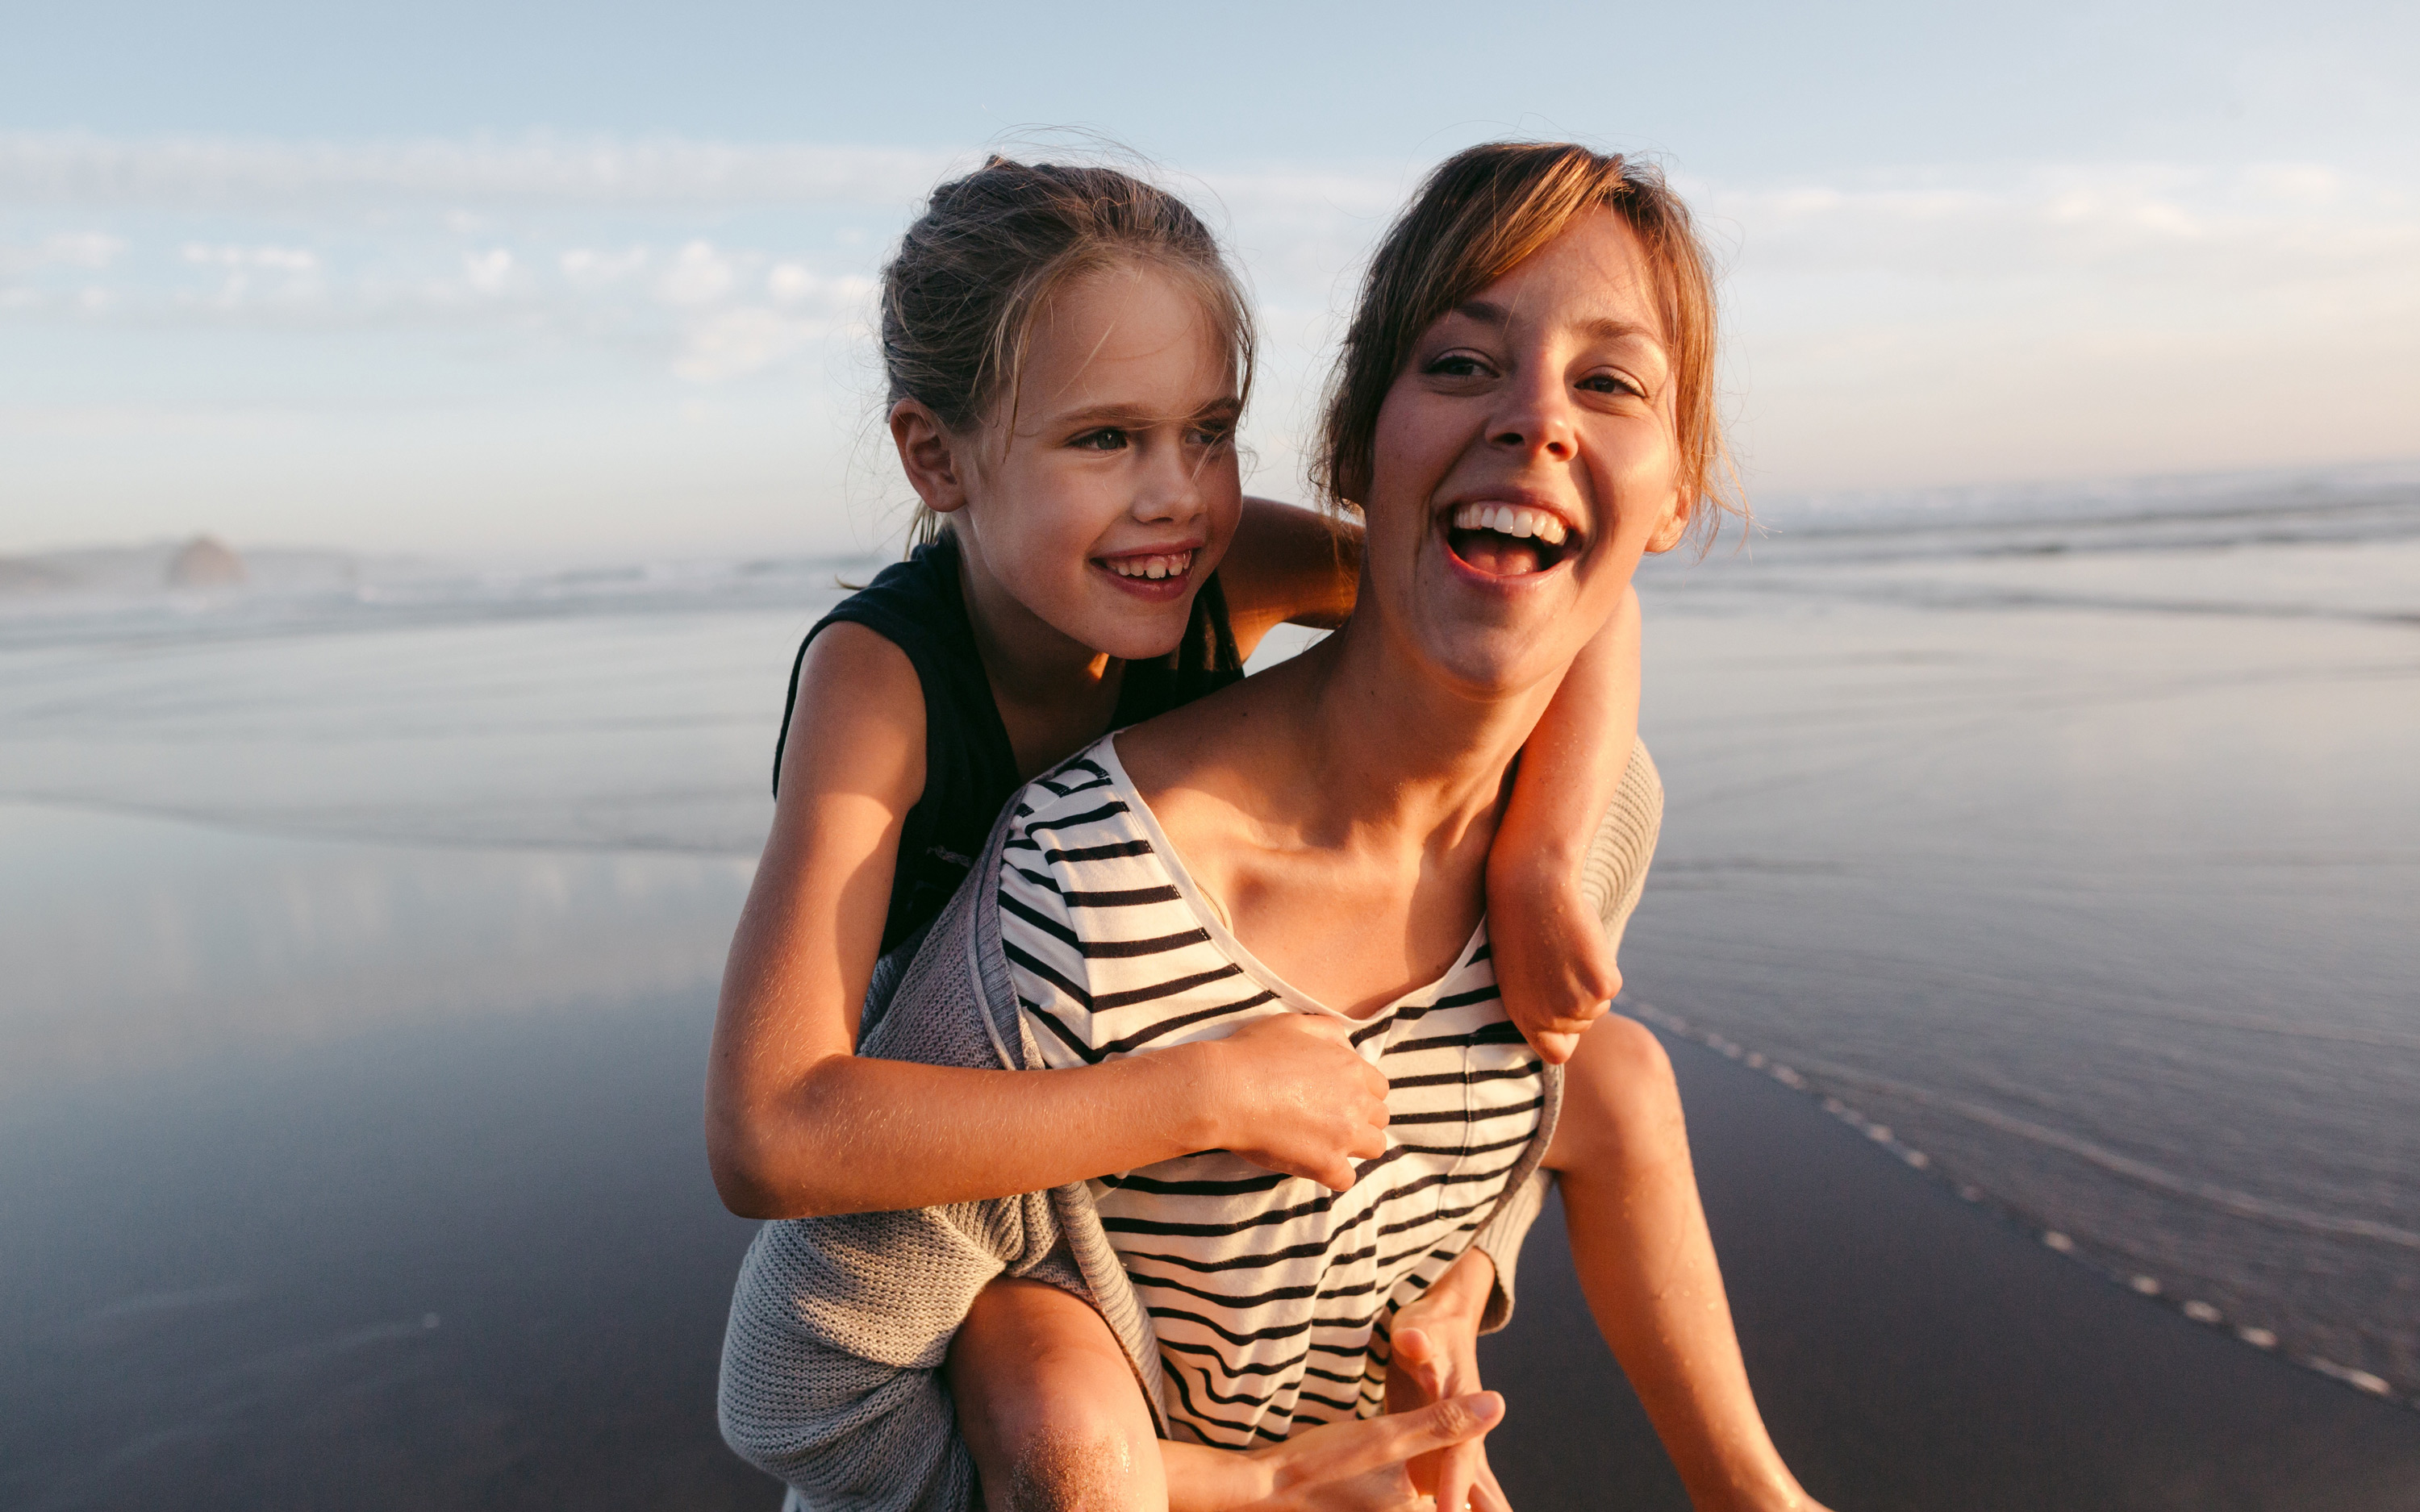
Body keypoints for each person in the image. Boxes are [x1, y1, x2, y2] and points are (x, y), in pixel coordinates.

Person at [717, 144, 1831, 1512]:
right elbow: (770, 1132)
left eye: (1209, 430)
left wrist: (1541, 863)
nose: (1175, 493)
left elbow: (1518, 565)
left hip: (1171, 1102)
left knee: (1623, 1076)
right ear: (935, 456)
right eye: (1103, 437)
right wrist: (1207, 1094)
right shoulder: (882, 684)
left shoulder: (1204, 556)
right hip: (956, 1132)